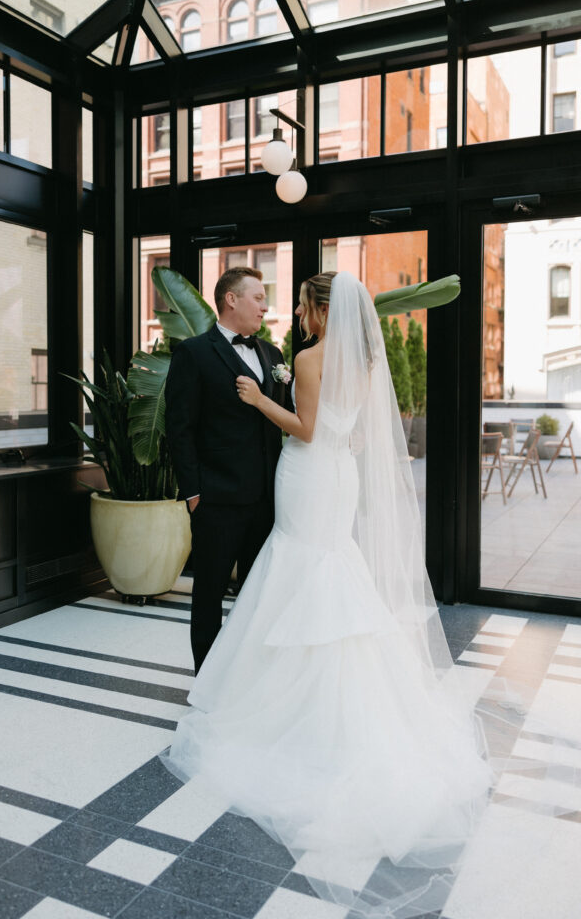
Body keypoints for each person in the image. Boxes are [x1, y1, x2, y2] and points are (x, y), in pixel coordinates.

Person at [161, 270, 496, 917]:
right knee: (324, 572)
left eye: (294, 302)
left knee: (298, 570)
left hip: (306, 474)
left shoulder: (306, 359)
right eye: (262, 298)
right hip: (332, 477)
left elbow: (305, 429)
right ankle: (274, 684)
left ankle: (269, 700)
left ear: (318, 310)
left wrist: (263, 400)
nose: (282, 308)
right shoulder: (364, 362)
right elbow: (358, 435)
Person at [164, 266, 291, 674]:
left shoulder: (273, 355)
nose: (265, 306)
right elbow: (179, 428)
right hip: (216, 499)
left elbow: (286, 417)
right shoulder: (194, 352)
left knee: (257, 596)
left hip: (267, 499)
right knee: (209, 595)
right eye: (258, 297)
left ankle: (244, 678)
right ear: (231, 299)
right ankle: (206, 679)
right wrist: (194, 493)